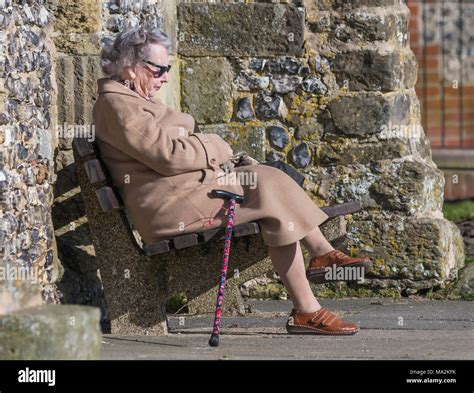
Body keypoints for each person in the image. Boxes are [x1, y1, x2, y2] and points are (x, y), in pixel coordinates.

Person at [93, 27, 372, 336]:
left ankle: (311, 296)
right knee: (268, 186)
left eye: (168, 69)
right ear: (132, 67)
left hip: (188, 192)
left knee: (269, 187)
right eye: (159, 69)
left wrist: (225, 162)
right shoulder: (118, 106)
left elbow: (172, 154)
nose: (166, 77)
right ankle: (316, 276)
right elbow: (168, 156)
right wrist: (216, 146)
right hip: (172, 208)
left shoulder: (133, 99)